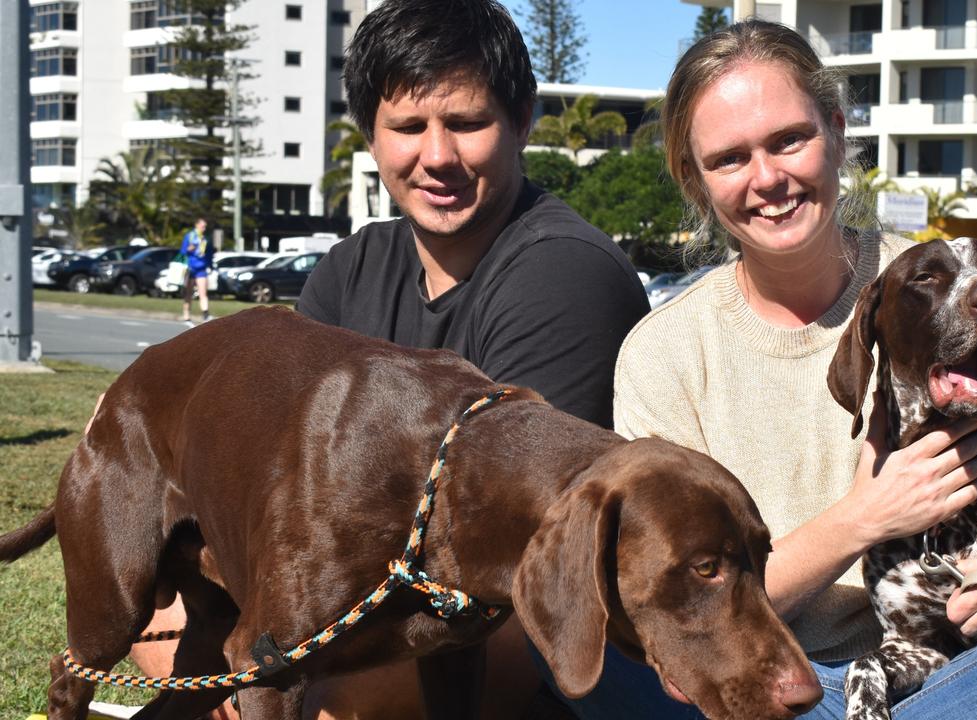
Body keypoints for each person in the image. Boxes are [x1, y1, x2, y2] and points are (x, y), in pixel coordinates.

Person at [545, 20, 977, 719]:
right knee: (581, 653)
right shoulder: (664, 355)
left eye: (789, 139)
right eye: (730, 158)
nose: (768, 178)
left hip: (961, 681)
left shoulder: (960, 285)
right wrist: (861, 519)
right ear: (695, 179)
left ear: (834, 129)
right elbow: (673, 603)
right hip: (756, 683)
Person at [129, 2, 648, 718]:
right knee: (145, 618)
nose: (437, 156)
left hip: (498, 633)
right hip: (328, 603)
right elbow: (265, 473)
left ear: (522, 119)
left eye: (467, 123)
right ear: (371, 136)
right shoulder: (350, 270)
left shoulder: (563, 278)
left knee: (305, 691)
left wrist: (257, 664)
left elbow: (532, 579)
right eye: (408, 127)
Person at [180, 218, 213, 326]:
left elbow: (208, 254)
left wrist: (210, 265)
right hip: (190, 268)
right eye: (203, 226)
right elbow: (183, 251)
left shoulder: (204, 238)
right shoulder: (190, 236)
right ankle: (186, 316)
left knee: (203, 293)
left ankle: (206, 315)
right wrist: (189, 249)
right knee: (188, 293)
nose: (204, 228)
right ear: (197, 225)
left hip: (201, 268)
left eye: (205, 227)